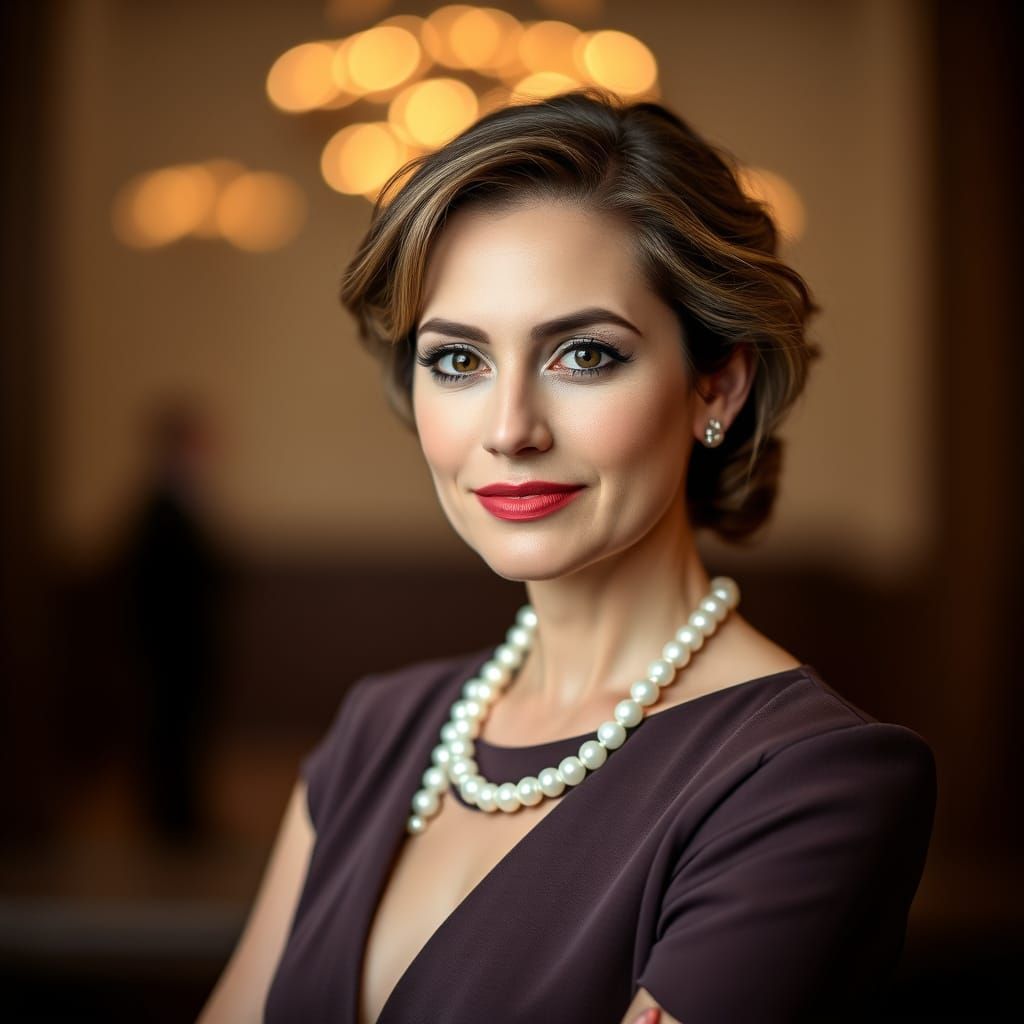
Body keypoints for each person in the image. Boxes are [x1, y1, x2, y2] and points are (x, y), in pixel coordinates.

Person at [198, 89, 936, 1024]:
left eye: (584, 355)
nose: (510, 431)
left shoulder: (808, 783)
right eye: (459, 361)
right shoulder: (377, 734)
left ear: (718, 383)